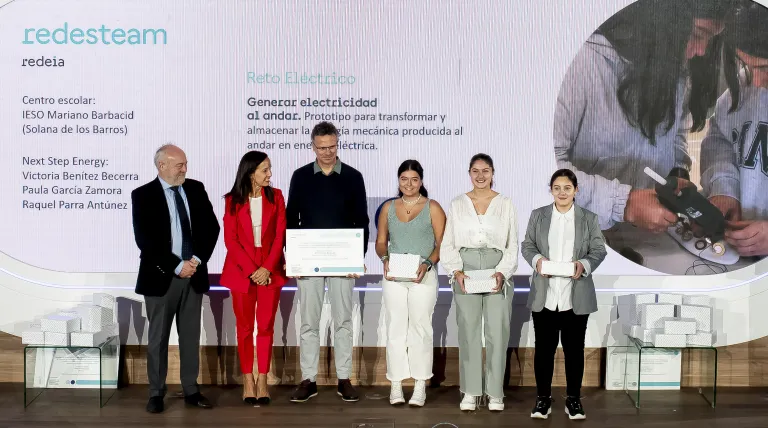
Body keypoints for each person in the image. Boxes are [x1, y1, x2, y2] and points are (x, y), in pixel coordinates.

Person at [554, 0, 738, 270]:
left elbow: (675, 136)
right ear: (659, 21)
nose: (701, 51)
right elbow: (544, 171)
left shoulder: (670, 64)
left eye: (711, 39)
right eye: (698, 35)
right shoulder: (583, 63)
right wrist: (623, 203)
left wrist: (677, 173)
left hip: (642, 243)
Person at [131, 144, 220, 413]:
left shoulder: (195, 188)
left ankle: (191, 389)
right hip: (161, 277)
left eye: (185, 164)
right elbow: (145, 240)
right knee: (158, 338)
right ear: (162, 166)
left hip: (193, 275)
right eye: (180, 165)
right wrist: (176, 265)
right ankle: (156, 393)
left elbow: (211, 228)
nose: (185, 169)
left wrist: (195, 261)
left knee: (190, 337)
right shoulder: (143, 195)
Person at [286, 121, 370, 403]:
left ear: (338, 144)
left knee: (343, 321)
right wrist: (294, 259)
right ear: (313, 147)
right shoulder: (300, 177)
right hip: (308, 262)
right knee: (308, 322)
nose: (327, 152)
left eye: (331, 146)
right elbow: (291, 220)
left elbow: (362, 221)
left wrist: (357, 259)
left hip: (343, 262)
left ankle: (343, 378)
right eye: (321, 148)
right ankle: (308, 379)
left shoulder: (354, 177)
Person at [520, 169, 607, 420]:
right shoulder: (538, 215)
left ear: (576, 190)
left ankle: (573, 400)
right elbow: (527, 245)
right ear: (551, 189)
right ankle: (543, 399)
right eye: (557, 187)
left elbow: (598, 249)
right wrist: (537, 261)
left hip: (575, 295)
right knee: (544, 351)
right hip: (545, 295)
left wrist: (585, 265)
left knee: (574, 351)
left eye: (567, 188)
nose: (562, 192)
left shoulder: (588, 218)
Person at [439, 153, 519, 412]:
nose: (481, 175)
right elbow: (448, 242)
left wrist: (502, 272)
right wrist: (456, 271)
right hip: (467, 269)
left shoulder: (505, 203)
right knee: (469, 332)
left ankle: (495, 393)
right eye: (476, 170)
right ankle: (471, 391)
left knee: (497, 331)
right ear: (469, 173)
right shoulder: (457, 203)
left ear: (493, 172)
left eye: (486, 170)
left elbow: (512, 244)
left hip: (497, 269)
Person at [375, 160, 446, 407]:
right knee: (395, 328)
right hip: (394, 276)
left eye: (414, 179)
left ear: (421, 181)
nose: (409, 184)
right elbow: (381, 241)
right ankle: (396, 384)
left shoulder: (433, 207)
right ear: (398, 181)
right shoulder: (388, 208)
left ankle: (419, 385)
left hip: (423, 276)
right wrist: (384, 258)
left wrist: (427, 263)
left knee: (421, 329)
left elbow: (441, 245)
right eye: (404, 179)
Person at [701, 0, 768, 258]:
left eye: (766, 67)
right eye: (746, 64)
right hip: (742, 252)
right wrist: (725, 188)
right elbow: (720, 140)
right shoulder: (742, 87)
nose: (758, 81)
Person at [220, 151, 287, 405]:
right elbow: (231, 240)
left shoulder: (277, 196)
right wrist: (252, 270)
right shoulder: (231, 200)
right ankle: (247, 378)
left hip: (270, 268)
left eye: (269, 169)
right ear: (251, 173)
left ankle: (262, 378)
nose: (269, 174)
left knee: (267, 326)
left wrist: (267, 268)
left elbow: (280, 233)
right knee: (245, 327)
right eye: (265, 170)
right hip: (241, 269)